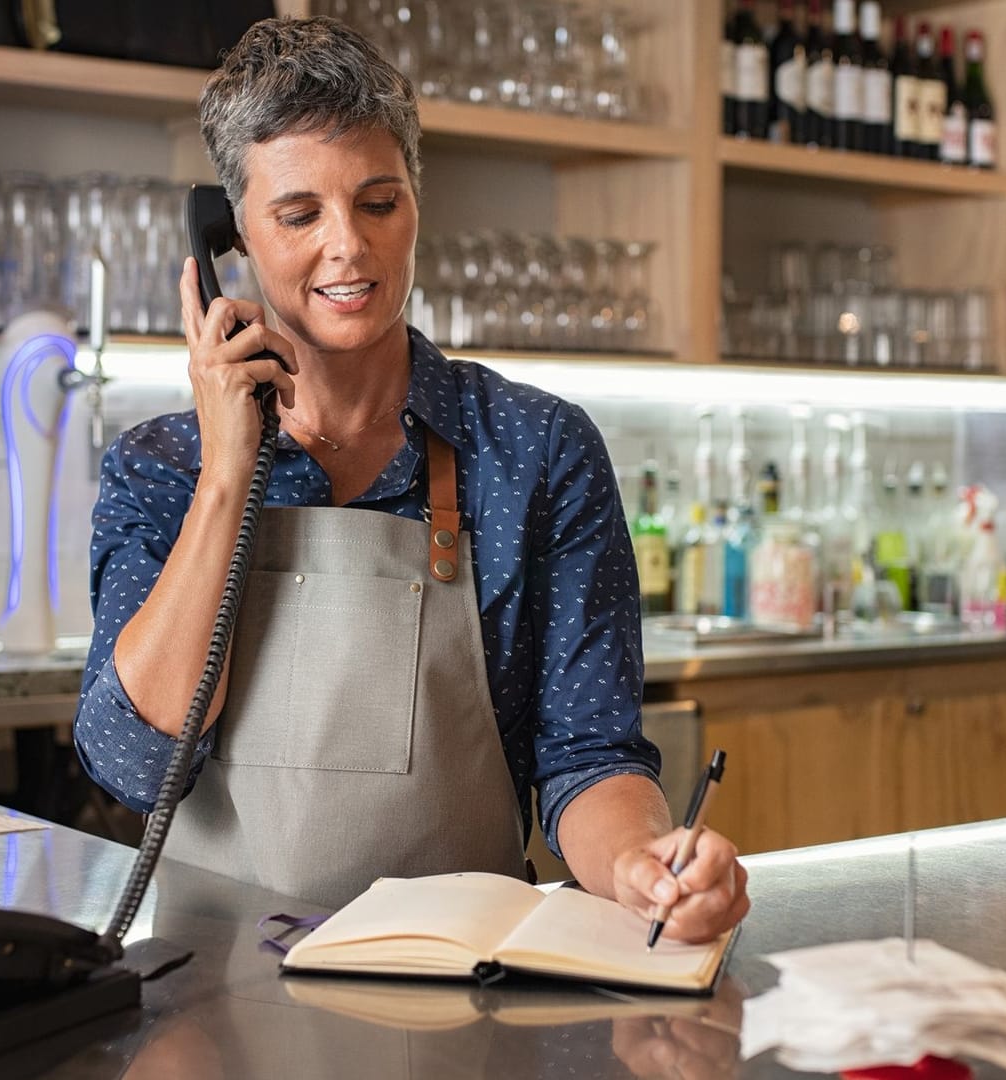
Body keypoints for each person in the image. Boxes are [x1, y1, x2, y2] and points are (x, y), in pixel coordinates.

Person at [73, 16, 748, 944]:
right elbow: (134, 765)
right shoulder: (160, 468)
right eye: (300, 214)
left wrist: (641, 863)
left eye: (379, 202)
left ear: (417, 205)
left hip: (463, 987)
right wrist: (229, 471)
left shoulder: (537, 449)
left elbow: (587, 755)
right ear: (229, 237)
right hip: (214, 996)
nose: (348, 247)